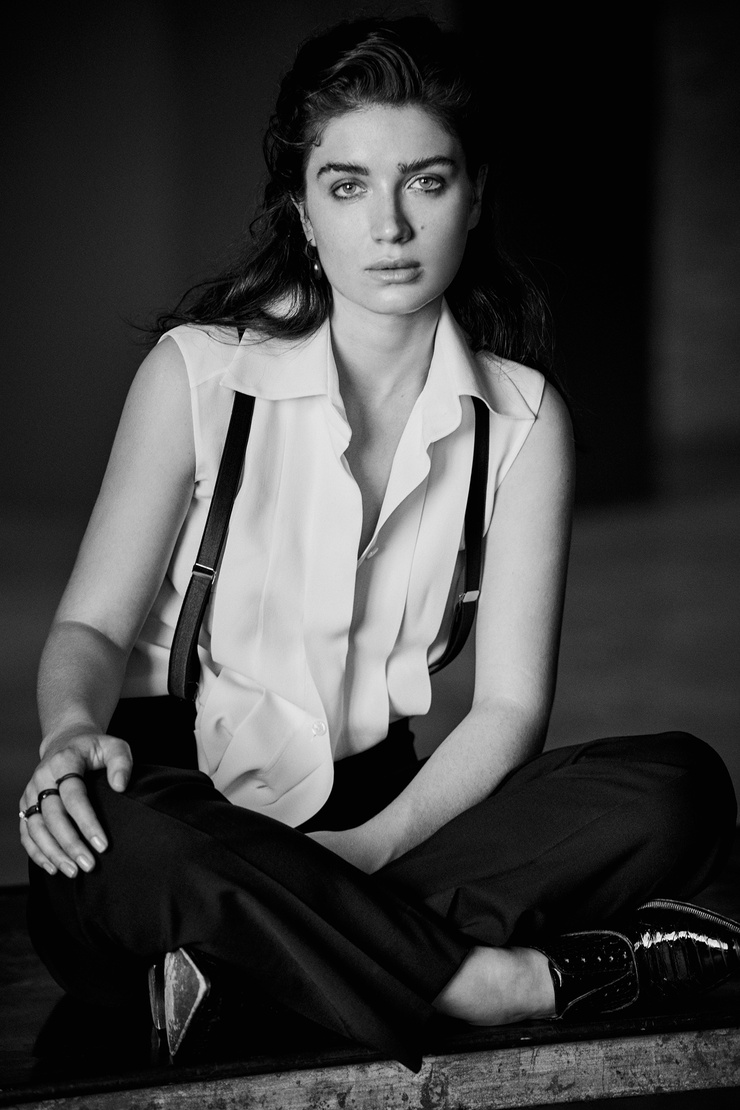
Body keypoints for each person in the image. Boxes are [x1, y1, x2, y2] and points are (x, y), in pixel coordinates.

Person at [19, 15, 739, 1072]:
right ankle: (496, 984)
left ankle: (245, 968)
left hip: (385, 818)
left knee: (675, 787)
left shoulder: (520, 419)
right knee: (121, 838)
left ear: (474, 196)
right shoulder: (199, 377)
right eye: (348, 185)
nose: (390, 226)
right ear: (303, 210)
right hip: (185, 806)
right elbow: (89, 625)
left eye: (426, 183)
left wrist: (363, 852)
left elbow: (507, 711)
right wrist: (69, 730)